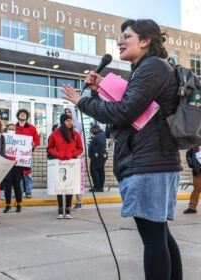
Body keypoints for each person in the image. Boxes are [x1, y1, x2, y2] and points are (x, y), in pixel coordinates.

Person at [61, 19, 182, 279]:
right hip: (154, 160)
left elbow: (125, 111)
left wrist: (81, 101)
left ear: (146, 40)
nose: (120, 41)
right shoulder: (148, 68)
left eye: (127, 36)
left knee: (153, 239)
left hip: (149, 163)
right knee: (159, 235)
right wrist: (98, 91)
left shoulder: (150, 68)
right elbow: (127, 107)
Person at [47, 113, 83, 219]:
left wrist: (73, 154)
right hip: (59, 162)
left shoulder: (75, 134)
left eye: (70, 120)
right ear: (63, 122)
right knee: (60, 187)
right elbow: (50, 147)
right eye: (67, 121)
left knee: (69, 187)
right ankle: (60, 210)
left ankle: (68, 210)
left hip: (71, 163)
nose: (70, 122)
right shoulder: (55, 134)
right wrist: (57, 154)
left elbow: (80, 148)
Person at [64, 107, 86, 210]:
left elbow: (82, 141)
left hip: (77, 155)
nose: (68, 114)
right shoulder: (62, 126)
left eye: (69, 112)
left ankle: (79, 201)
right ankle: (67, 201)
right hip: (66, 156)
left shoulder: (79, 126)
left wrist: (80, 153)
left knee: (78, 178)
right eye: (66, 112)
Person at [15, 109, 40, 198]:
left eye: (24, 114)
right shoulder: (14, 127)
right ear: (18, 116)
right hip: (16, 155)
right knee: (18, 174)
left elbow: (37, 139)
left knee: (28, 174)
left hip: (27, 155)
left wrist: (34, 144)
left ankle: (28, 191)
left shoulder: (32, 127)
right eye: (21, 114)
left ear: (27, 117)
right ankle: (19, 191)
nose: (22, 115)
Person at [2, 124, 23, 213]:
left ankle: (19, 204)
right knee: (7, 187)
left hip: (17, 166)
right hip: (7, 165)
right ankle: (8, 205)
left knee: (17, 187)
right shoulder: (2, 139)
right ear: (6, 130)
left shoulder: (20, 139)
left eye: (13, 129)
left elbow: (25, 150)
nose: (11, 130)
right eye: (9, 129)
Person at [88, 124, 107, 192]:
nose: (92, 131)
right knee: (99, 170)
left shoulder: (100, 135)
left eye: (93, 130)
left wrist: (96, 152)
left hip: (98, 156)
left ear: (97, 129)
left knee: (94, 170)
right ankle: (99, 187)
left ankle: (97, 186)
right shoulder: (99, 135)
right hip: (100, 155)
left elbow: (101, 144)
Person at [183, 145, 201, 214]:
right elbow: (188, 154)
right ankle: (192, 208)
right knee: (196, 190)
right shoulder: (195, 144)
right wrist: (191, 164)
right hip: (197, 171)